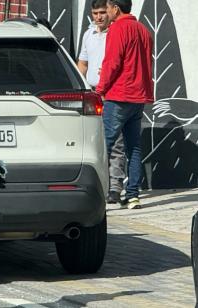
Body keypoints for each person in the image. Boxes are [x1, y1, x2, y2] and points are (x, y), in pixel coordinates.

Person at [96, 0, 153, 209]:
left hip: (118, 96)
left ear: (116, 9)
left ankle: (99, 192)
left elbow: (112, 62)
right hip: (138, 97)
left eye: (108, 8)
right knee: (134, 148)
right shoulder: (143, 30)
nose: (106, 11)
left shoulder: (118, 28)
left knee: (104, 146)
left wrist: (100, 90)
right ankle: (132, 195)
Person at [77, 0, 126, 204]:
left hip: (111, 93)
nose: (99, 17)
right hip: (91, 95)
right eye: (95, 13)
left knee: (115, 143)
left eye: (102, 12)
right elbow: (83, 64)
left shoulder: (115, 34)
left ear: (110, 12)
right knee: (93, 142)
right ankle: (99, 186)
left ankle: (115, 187)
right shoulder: (89, 35)